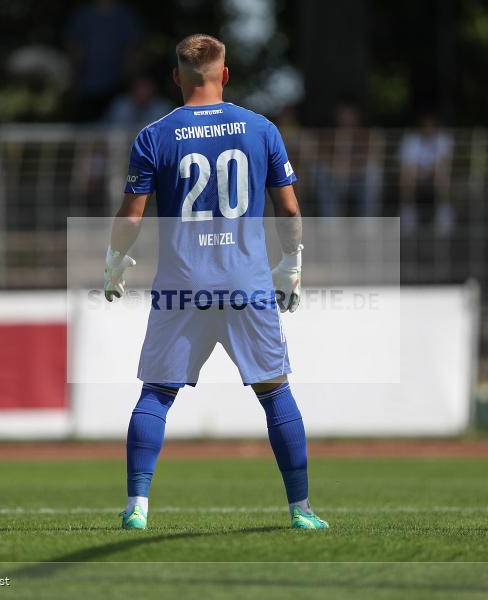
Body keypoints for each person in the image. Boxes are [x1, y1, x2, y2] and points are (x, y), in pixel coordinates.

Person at [103, 34, 328, 531]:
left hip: (183, 284)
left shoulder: (155, 135)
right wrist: (291, 263)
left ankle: (137, 505)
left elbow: (133, 216)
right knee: (274, 393)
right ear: (224, 75)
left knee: (156, 394)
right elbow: (288, 208)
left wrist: (115, 260)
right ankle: (301, 510)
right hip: (246, 284)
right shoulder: (260, 128)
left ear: (176, 77)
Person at [64, 0, 143, 122]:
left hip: (117, 85)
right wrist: (74, 76)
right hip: (87, 86)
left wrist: (128, 79)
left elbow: (131, 51)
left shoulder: (125, 16)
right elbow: (74, 48)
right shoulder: (83, 16)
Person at [398, 111, 454, 236]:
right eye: (425, 124)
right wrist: (419, 172)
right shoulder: (410, 140)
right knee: (406, 176)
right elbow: (406, 165)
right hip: (415, 175)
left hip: (435, 175)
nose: (428, 127)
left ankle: (444, 214)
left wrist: (428, 172)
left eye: (431, 124)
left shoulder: (444, 139)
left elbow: (444, 163)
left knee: (442, 175)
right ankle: (408, 214)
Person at [102, 76, 175, 130]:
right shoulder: (121, 105)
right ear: (133, 89)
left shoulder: (162, 107)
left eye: (146, 88)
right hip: (122, 147)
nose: (142, 92)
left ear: (153, 89)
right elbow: (108, 128)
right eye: (140, 88)